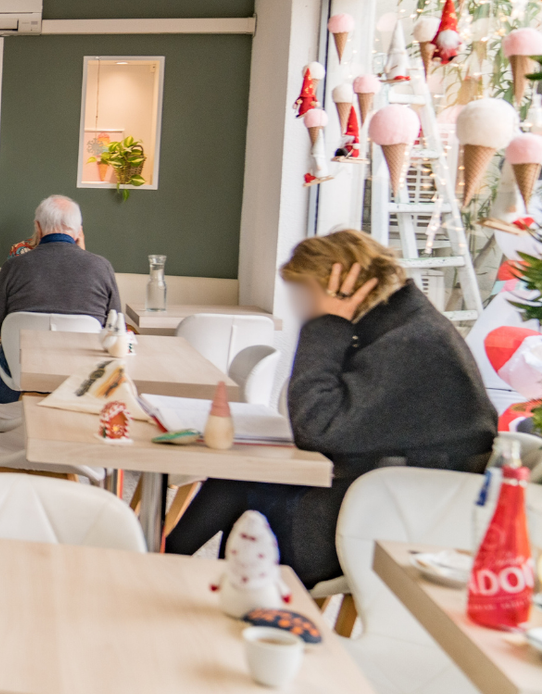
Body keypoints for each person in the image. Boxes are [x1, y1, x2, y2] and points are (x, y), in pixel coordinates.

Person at [165, 229, 495, 587]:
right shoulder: (408, 327)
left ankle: (164, 572)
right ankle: (166, 571)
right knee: (237, 479)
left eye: (308, 295)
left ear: (341, 286)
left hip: (386, 521)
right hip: (387, 498)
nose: (304, 308)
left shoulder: (410, 342)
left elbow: (314, 426)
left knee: (237, 487)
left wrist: (327, 324)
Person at [0, 195, 121, 403]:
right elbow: (116, 327)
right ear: (79, 230)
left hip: (17, 381)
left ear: (38, 227)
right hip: (81, 382)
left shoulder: (15, 266)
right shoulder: (101, 267)